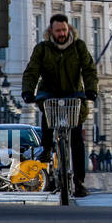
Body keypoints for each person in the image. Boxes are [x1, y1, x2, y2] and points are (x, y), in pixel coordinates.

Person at [23, 14, 99, 198]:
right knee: (47, 117)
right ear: (51, 32)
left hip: (74, 94)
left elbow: (89, 69)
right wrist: (28, 91)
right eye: (58, 31)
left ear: (69, 29)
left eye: (64, 30)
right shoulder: (42, 49)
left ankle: (79, 182)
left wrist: (91, 90)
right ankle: (47, 149)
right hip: (49, 93)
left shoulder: (78, 47)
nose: (62, 34)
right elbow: (32, 70)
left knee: (77, 140)